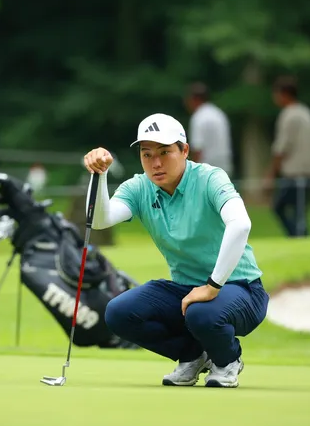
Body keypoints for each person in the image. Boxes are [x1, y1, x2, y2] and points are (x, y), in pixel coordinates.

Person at [82, 113, 269, 388]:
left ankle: (228, 360)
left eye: (164, 152)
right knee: (119, 313)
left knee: (201, 313)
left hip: (242, 289)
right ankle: (193, 356)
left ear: (184, 150)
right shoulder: (139, 187)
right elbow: (100, 219)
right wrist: (99, 174)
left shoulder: (210, 178)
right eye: (147, 154)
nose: (156, 163)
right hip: (186, 291)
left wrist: (212, 286)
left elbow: (240, 225)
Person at [265, 76, 310, 237]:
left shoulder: (289, 115)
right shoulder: (305, 112)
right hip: (308, 170)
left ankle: (298, 237)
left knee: (280, 207)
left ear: (283, 94)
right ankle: (300, 236)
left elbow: (281, 148)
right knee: (299, 210)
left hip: (294, 172)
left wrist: (270, 174)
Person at [185, 82, 233, 176]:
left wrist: (192, 174)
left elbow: (198, 149)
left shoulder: (199, 117)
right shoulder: (218, 113)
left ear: (195, 99)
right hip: (224, 167)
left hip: (206, 171)